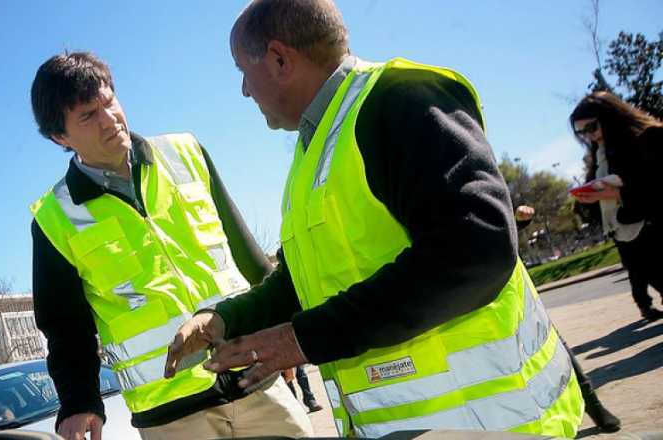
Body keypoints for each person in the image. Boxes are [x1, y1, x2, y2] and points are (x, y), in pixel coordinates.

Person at [164, 0, 585, 437]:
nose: (245, 91)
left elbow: (476, 250)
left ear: (279, 58)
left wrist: (302, 338)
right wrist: (224, 319)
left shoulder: (399, 101)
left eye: (241, 71)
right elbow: (302, 280)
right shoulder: (313, 153)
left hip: (494, 421)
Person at [29, 51, 312, 440]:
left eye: (109, 102)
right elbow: (66, 329)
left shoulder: (186, 153)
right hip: (171, 416)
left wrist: (285, 332)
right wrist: (79, 402)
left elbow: (250, 259)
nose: (109, 119)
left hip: (255, 378)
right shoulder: (53, 219)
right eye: (88, 116)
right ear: (60, 137)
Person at [514, 204, 621, 432]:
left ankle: (595, 407)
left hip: (516, 293)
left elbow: (496, 225)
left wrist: (519, 220)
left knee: (557, 351)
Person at [570, 91, 663, 322]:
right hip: (625, 228)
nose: (589, 137)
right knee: (641, 271)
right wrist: (590, 199)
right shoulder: (600, 154)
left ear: (609, 117)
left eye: (591, 128)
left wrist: (618, 192)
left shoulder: (649, 138)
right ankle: (645, 305)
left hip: (653, 226)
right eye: (582, 132)